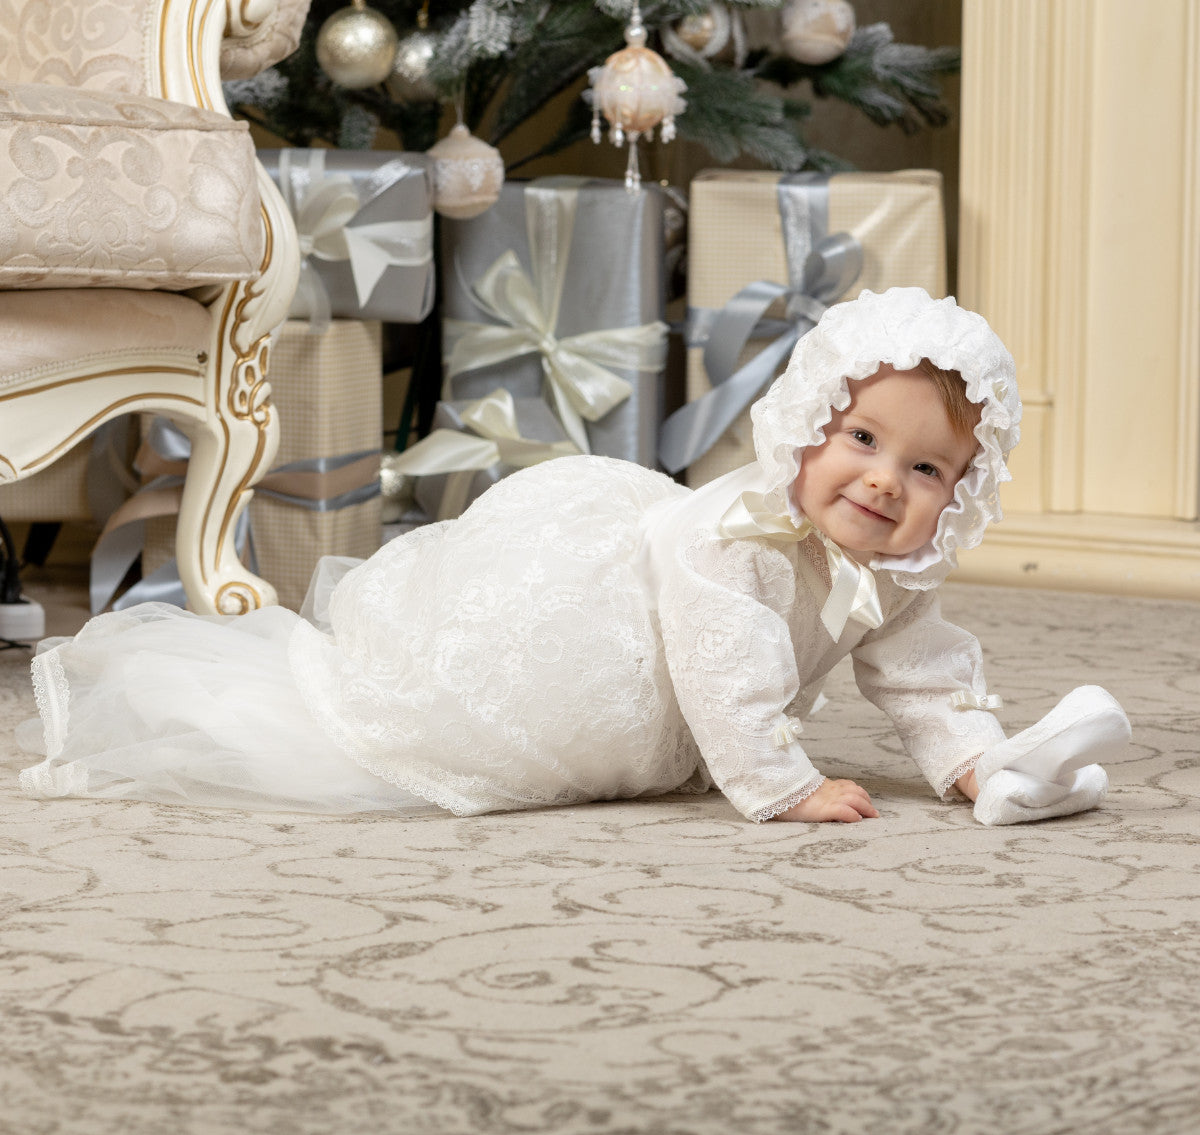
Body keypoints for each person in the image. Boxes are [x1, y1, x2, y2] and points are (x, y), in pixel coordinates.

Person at [17, 288, 1130, 825]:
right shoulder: (735, 533)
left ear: (962, 493)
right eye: (863, 442)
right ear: (803, 431)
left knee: (916, 689)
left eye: (928, 470)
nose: (886, 483)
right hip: (600, 642)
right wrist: (779, 786)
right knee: (449, 720)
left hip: (681, 678)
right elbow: (725, 663)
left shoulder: (894, 572)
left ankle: (1010, 778)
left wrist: (970, 760)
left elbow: (920, 674)